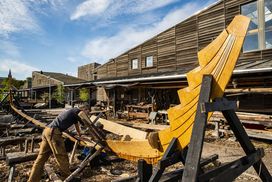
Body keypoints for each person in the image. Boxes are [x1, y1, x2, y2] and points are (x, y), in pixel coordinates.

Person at [28, 103, 89, 182]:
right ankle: (67, 178)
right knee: (61, 156)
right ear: (83, 109)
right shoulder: (78, 112)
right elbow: (88, 124)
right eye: (87, 111)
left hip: (47, 131)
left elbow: (76, 124)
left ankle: (32, 180)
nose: (87, 113)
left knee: (41, 158)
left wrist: (79, 134)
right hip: (54, 133)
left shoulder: (72, 112)